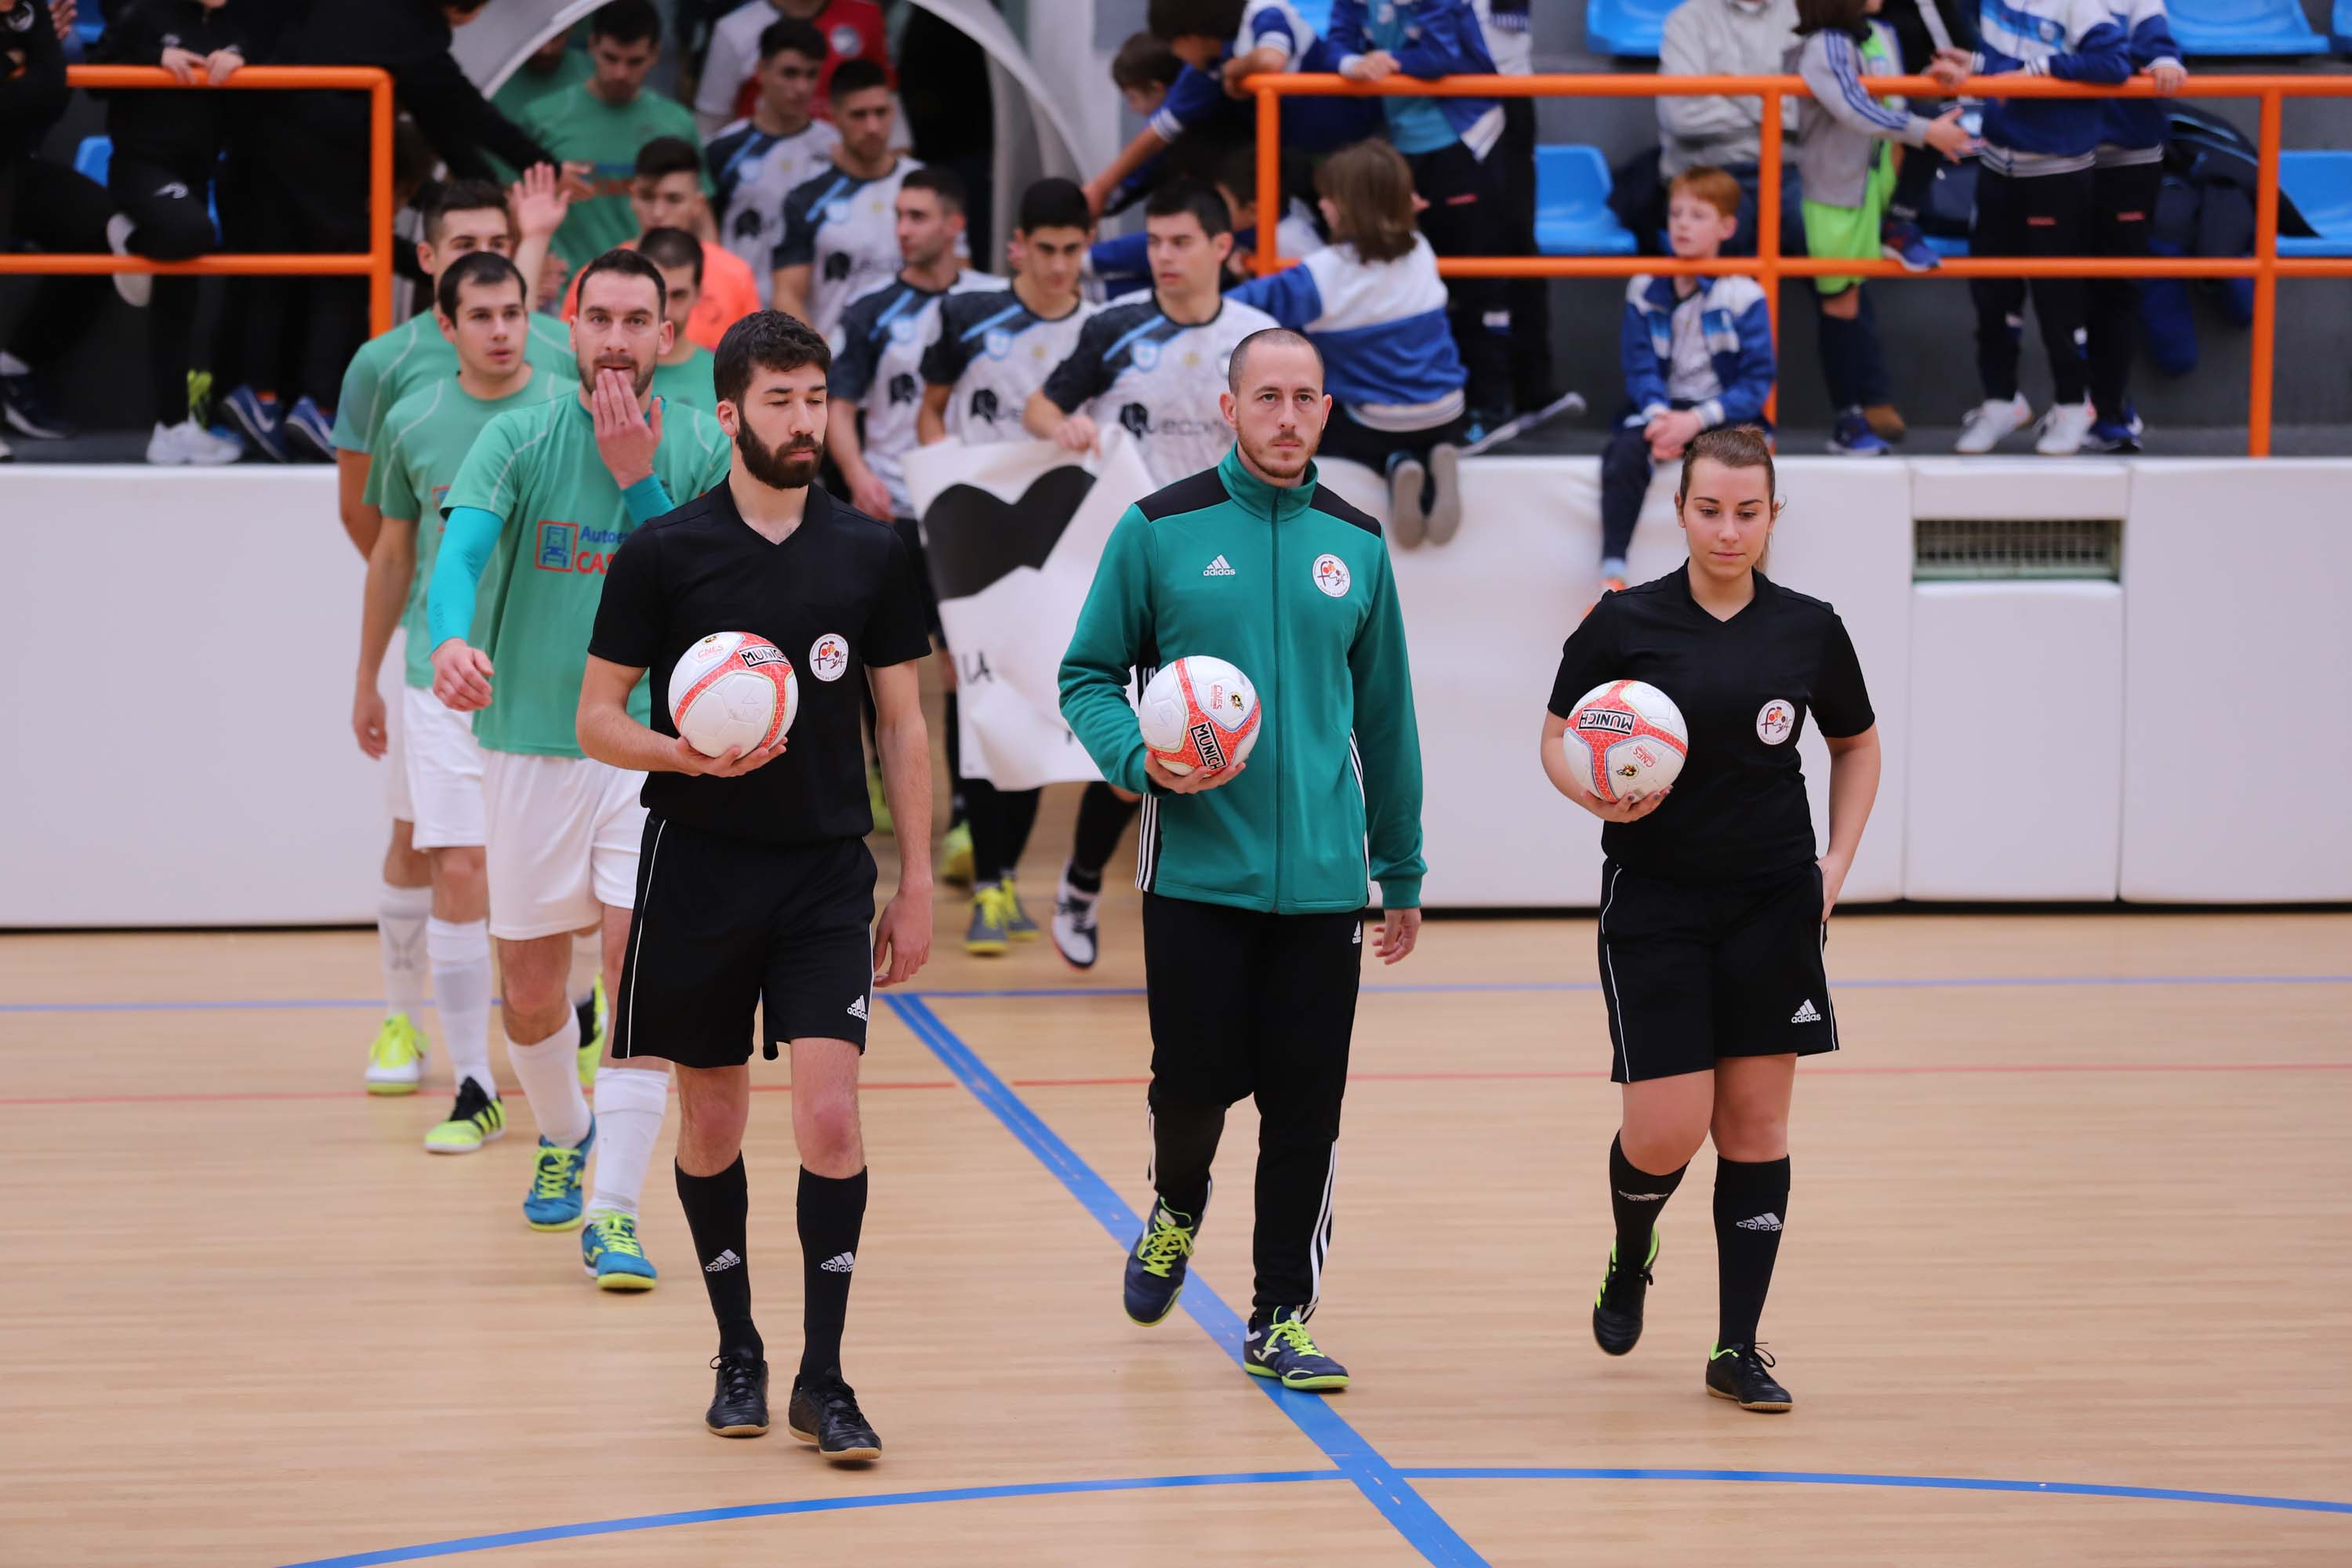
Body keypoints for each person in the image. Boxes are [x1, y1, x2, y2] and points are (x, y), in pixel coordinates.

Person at [577, 308, 930, 1457]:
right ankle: (738, 1348)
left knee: (829, 1116)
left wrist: (915, 878)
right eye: (776, 401)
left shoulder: (873, 551)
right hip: (699, 867)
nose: (799, 420)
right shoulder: (664, 553)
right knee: (715, 1119)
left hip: (827, 873)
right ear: (727, 415)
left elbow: (903, 723)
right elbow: (595, 719)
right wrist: (684, 752)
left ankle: (826, 1378)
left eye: (813, 398)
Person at [1058, 327, 1425, 1391]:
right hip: (1196, 878)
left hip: (1321, 882)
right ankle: (1177, 1202)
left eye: (1306, 399)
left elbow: (1389, 722)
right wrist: (1137, 760)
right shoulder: (1158, 531)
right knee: (1192, 1090)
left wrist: (1398, 873)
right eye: (1267, 396)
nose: (1287, 416)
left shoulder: (1356, 546)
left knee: (1307, 1109)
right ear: (1229, 408)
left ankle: (1281, 1316)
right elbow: (1087, 674)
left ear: (1324, 410)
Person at [1539, 424, 1881, 1414]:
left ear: (1774, 514)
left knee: (1756, 1123)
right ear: (1680, 509)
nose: (1728, 529)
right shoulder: (1624, 621)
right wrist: (1590, 791)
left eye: (1748, 511)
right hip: (1657, 902)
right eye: (1708, 509)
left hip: (1775, 899)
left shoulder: (1810, 626)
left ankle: (1737, 1345)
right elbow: (1558, 735)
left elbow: (1856, 745)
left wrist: (1838, 863)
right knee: (1664, 1130)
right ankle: (1631, 1247)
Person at [427, 249, 734, 1286]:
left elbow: (704, 595)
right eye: (596, 318)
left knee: (636, 973)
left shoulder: (696, 447)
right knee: (528, 990)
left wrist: (637, 478)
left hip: (651, 751)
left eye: (634, 320)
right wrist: (449, 640)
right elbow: (461, 554)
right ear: (572, 323)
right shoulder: (519, 434)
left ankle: (614, 1212)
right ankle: (566, 1131)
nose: (614, 339)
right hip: (527, 744)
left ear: (667, 333)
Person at [331, 179, 577, 1095]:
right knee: (450, 854)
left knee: (540, 862)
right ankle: (450, 1050)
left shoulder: (567, 390)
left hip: (546, 671)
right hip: (439, 666)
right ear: (440, 302)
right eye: (481, 310)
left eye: (514, 302)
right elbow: (386, 540)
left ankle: (560, 1017)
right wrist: (389, 659)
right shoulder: (397, 392)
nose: (501, 325)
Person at [1026, 182, 1278, 963]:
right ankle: (1080, 879)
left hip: (1238, 568)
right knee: (1145, 754)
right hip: (1145, 564)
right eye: (1154, 243)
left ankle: (1231, 909)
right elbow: (1040, 406)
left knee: (1231, 740)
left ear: (1221, 248)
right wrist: (1063, 423)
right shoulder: (1115, 325)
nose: (1163, 256)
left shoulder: (1257, 334)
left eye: (1179, 242)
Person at [916, 178, 1099, 957]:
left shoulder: (1102, 328)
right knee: (978, 686)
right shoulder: (968, 314)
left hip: (1061, 542)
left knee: (1042, 699)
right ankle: (988, 872)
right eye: (1046, 249)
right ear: (1018, 245)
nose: (1060, 266)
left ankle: (1001, 865)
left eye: (1073, 250)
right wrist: (938, 477)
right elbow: (932, 406)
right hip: (973, 531)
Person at [826, 167, 996, 943]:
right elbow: (840, 403)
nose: (904, 227)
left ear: (955, 222)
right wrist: (857, 472)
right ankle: (883, 780)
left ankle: (964, 812)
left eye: (919, 215)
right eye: (898, 214)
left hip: (969, 511)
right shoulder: (870, 310)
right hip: (892, 502)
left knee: (966, 664)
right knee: (883, 658)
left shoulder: (993, 299)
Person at [1228, 140, 1472, 549]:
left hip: (1376, 425)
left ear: (1346, 206)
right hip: (1449, 412)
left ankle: (1394, 465)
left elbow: (1241, 309)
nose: (1321, 205)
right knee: (1411, 406)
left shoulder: (1323, 275)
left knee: (1314, 412)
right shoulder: (1422, 251)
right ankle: (1431, 462)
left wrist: (1239, 273)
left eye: (1328, 198)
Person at [1939, 0, 2128, 456]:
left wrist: (2038, 70)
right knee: (1991, 294)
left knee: (2057, 300)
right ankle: (2002, 401)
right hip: (1997, 162)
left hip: (2057, 169)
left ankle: (2072, 405)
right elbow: (2010, 67)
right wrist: (1979, 65)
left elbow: (2114, 63)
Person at [1789, 0, 1972, 456]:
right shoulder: (1824, 45)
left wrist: (1934, 102)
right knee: (1841, 303)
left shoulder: (1877, 33)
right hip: (1832, 194)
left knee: (1932, 116)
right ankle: (1848, 420)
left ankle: (1899, 225)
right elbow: (1853, 108)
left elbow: (1897, 99)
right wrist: (1924, 132)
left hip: (1873, 187)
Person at [1326, 0, 1511, 428]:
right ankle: (1423, 406)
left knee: (1475, 281)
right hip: (1401, 150)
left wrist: (1388, 62)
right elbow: (1335, 46)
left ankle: (1488, 406)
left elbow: (1445, 56)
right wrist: (1355, 62)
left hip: (1463, 144)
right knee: (1412, 281)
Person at [1601, 169, 1773, 597]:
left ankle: (1750, 579)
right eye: (1676, 213)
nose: (1681, 223)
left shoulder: (1743, 293)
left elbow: (1755, 382)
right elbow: (1639, 368)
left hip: (1721, 412)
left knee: (1744, 467)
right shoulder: (1644, 288)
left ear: (1726, 228)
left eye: (1697, 215)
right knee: (1623, 454)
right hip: (1661, 409)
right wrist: (1662, 421)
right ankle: (1612, 570)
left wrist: (1692, 424)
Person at [0, 0, 120, 449]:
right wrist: (18, 54)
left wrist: (24, 54)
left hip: (14, 163)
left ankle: (15, 368)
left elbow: (48, 89)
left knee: (102, 230)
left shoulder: (27, 11)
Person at [517, 0, 703, 269]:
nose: (620, 73)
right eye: (611, 58)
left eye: (634, 61)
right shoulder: (542, 117)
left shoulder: (677, 122)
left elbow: (699, 213)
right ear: (592, 46)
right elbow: (514, 203)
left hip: (652, 286)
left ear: (654, 54)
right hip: (564, 285)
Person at [2085, 0, 2184, 453]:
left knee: (2118, 284)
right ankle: (2076, 404)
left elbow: (2155, 37)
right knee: (2056, 287)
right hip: (2048, 154)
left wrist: (2163, 60)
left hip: (2129, 152)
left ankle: (2106, 410)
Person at [769, 59, 920, 343]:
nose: (873, 126)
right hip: (839, 360)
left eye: (881, 112)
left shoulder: (925, 186)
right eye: (859, 115)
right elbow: (787, 293)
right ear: (834, 116)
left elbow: (956, 277)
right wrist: (820, 354)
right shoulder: (806, 198)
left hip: (915, 358)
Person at [556, 138, 760, 349]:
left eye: (673, 199)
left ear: (697, 204)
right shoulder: (596, 277)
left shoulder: (735, 276)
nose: (658, 213)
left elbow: (749, 359)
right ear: (632, 198)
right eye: (647, 197)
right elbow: (568, 354)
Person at [706, 16, 840, 308]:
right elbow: (707, 238)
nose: (801, 87)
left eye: (811, 75)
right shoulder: (723, 149)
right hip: (740, 311)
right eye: (789, 74)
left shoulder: (835, 150)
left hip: (811, 313)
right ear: (760, 71)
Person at [1654, 0, 1803, 259]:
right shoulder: (1686, 19)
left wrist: (1732, 89)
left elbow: (1810, 114)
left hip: (1791, 169)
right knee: (1714, 225)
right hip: (1709, 168)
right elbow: (1681, 115)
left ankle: (1841, 299)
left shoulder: (1806, 14)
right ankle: (1720, 299)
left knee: (1823, 232)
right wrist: (1771, 105)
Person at [693, 0, 890, 138]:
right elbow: (710, 124)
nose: (802, 88)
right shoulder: (735, 29)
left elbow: (888, 98)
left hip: (843, 173)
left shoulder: (866, 17)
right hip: (758, 174)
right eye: (789, 73)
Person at [641, 226, 720, 410]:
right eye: (657, 293)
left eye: (678, 295)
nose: (666, 310)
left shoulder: (727, 376)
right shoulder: (606, 369)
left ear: (698, 294)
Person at [493, 31, 591, 126]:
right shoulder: (492, 75)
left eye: (557, 36)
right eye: (538, 36)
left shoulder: (592, 72)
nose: (547, 51)